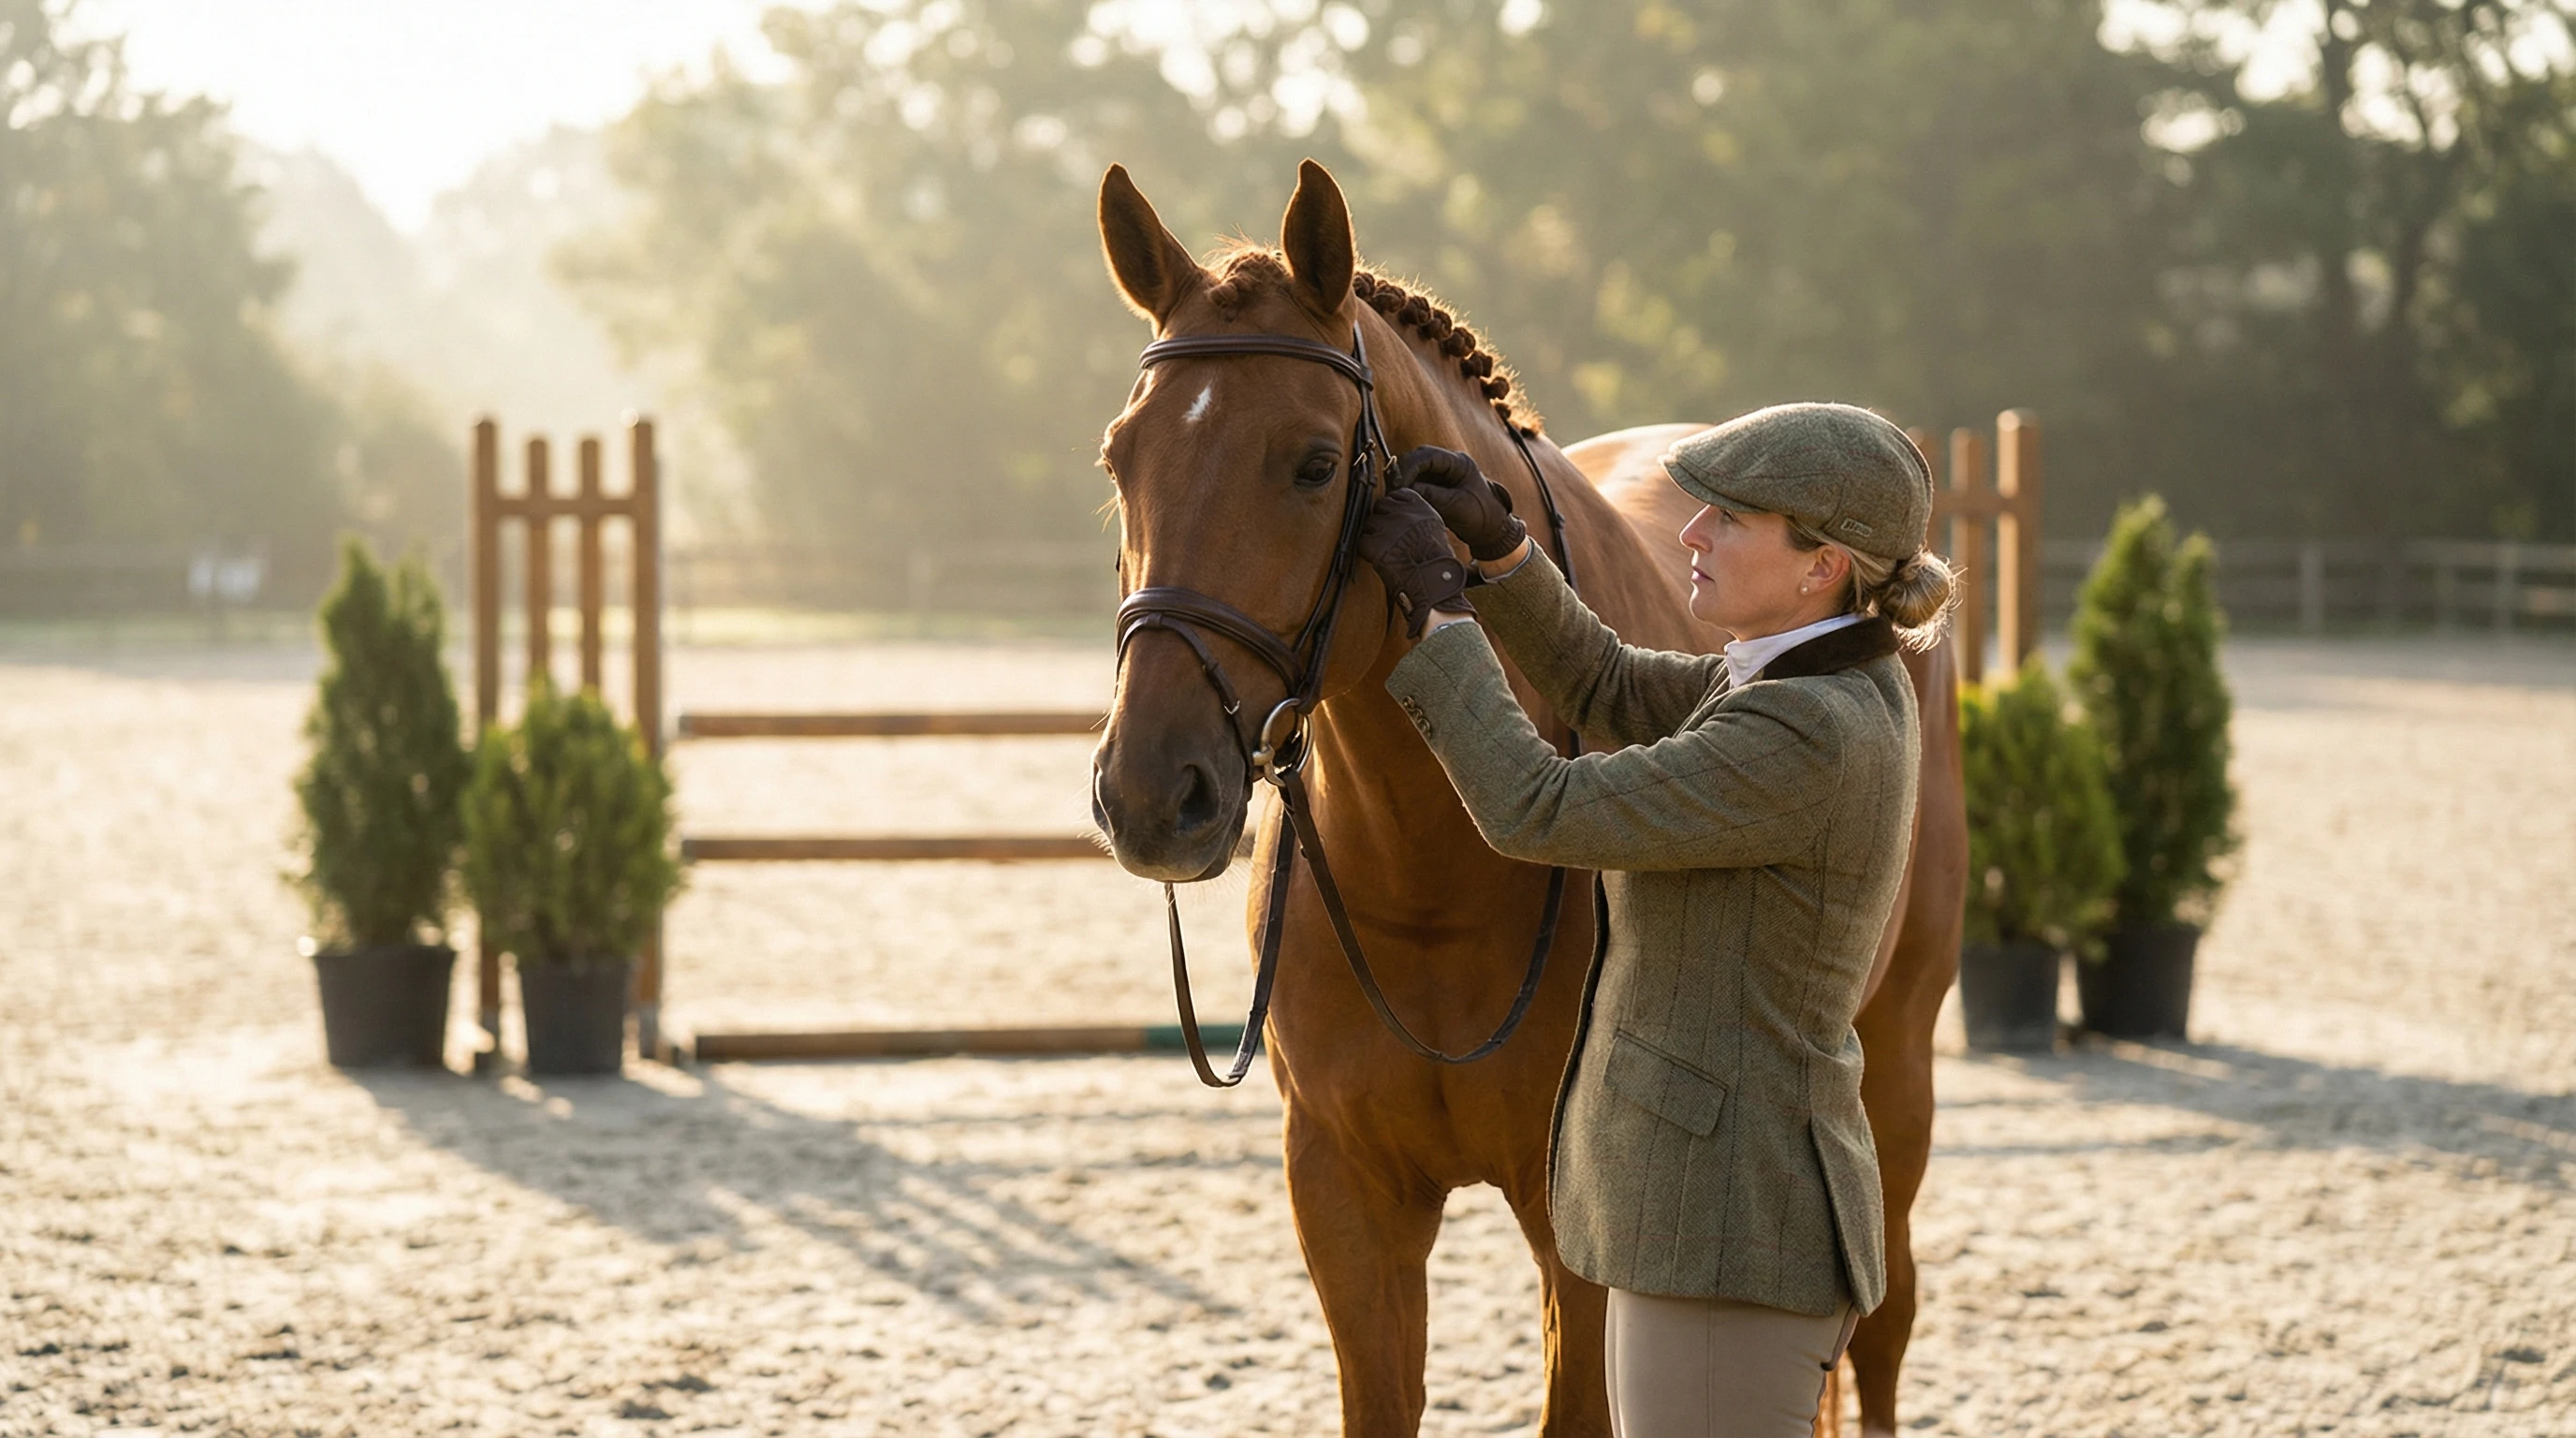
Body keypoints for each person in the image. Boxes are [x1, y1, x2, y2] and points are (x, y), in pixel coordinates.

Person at [1354, 403, 1955, 1437]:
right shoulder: (1818, 677)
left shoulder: (1806, 732)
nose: (1691, 532)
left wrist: (1442, 622)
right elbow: (1605, 681)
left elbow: (1535, 806)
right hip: (1710, 1217)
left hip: (1732, 1230)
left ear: (1821, 569)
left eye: (1729, 519)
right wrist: (1502, 551)